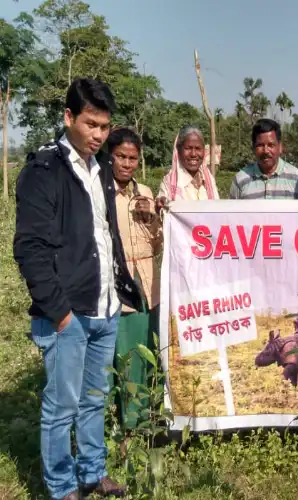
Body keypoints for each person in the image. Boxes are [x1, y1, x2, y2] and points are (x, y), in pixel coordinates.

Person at [13, 78, 142, 500]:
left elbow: (106, 235)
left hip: (104, 307)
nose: (99, 135)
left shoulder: (100, 168)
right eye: (91, 125)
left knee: (94, 398)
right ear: (69, 117)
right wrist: (61, 314)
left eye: (104, 127)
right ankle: (62, 488)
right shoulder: (44, 170)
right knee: (61, 407)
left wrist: (120, 290)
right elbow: (29, 249)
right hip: (67, 313)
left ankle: (91, 473)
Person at [106, 127, 162, 430]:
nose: (127, 164)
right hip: (118, 284)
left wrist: (153, 217)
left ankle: (142, 418)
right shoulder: (102, 194)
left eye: (133, 159)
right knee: (123, 355)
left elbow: (157, 244)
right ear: (110, 157)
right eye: (121, 157)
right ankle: (123, 422)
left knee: (145, 353)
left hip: (147, 283)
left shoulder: (146, 194)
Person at [229, 118, 298, 200]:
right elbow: (231, 214)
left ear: (280, 147)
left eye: (271, 145)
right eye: (260, 145)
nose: (266, 151)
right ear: (253, 148)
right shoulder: (240, 180)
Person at [156, 125, 220, 209]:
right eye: (188, 148)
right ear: (178, 150)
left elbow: (218, 211)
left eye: (198, 148)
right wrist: (161, 206)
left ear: (204, 151)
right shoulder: (169, 183)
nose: (193, 154)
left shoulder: (209, 180)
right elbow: (163, 215)